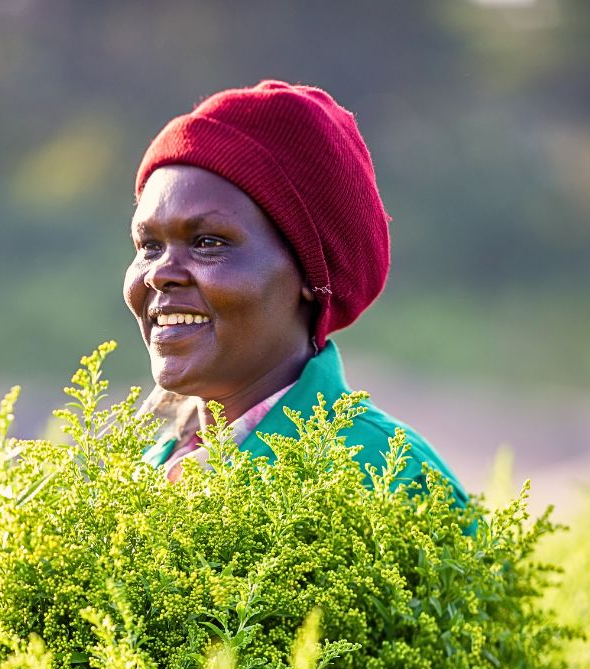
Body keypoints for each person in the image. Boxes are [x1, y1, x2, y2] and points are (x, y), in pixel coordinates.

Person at [125, 80, 468, 505]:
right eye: (149, 247)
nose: (160, 275)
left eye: (208, 243)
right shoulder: (139, 472)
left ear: (310, 274)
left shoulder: (394, 482)